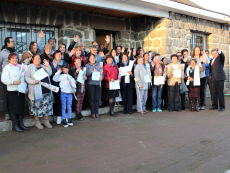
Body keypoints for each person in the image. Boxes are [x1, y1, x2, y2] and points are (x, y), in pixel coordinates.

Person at [1, 53, 29, 132]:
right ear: (9, 60)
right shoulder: (7, 67)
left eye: (16, 58)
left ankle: (21, 124)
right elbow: (4, 79)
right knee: (13, 108)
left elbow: (23, 78)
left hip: (21, 90)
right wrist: (13, 82)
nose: (15, 60)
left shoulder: (21, 67)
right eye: (13, 58)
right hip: (12, 90)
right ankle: (15, 125)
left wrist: (25, 87)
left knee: (20, 107)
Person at [25, 54, 53, 129]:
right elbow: (26, 78)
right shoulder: (30, 67)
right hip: (36, 91)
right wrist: (34, 81)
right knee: (37, 106)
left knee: (47, 106)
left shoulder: (43, 66)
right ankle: (37, 122)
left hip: (46, 89)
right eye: (36, 58)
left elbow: (50, 74)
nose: (38, 59)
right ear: (33, 59)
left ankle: (46, 121)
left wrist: (48, 66)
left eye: (39, 58)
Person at [0, 37, 18, 120]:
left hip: (16, 79)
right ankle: (7, 113)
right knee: (6, 95)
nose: (14, 42)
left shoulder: (15, 52)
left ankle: (14, 112)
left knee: (14, 96)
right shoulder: (2, 53)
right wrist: (2, 75)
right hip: (7, 79)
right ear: (7, 43)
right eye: (12, 41)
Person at [86, 53, 103, 118]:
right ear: (89, 59)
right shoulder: (87, 66)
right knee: (92, 98)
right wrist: (92, 71)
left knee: (97, 98)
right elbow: (86, 74)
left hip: (97, 83)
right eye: (91, 58)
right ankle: (93, 112)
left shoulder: (99, 65)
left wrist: (102, 77)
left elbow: (102, 73)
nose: (93, 59)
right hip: (90, 84)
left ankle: (97, 112)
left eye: (93, 58)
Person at [50, 50, 64, 124]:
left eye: (60, 54)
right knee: (57, 100)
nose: (59, 56)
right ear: (54, 56)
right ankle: (58, 116)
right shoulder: (52, 64)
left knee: (63, 100)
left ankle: (63, 116)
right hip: (55, 85)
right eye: (57, 54)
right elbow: (51, 75)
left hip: (63, 84)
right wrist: (55, 68)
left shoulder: (63, 63)